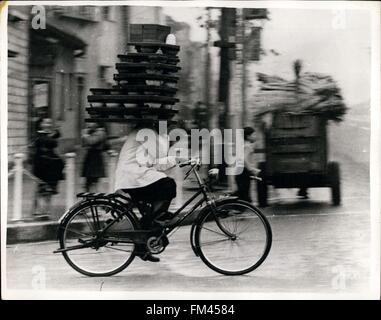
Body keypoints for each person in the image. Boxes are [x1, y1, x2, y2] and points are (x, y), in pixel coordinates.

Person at [114, 121, 185, 262]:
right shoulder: (147, 131)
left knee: (149, 211)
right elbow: (156, 160)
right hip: (134, 176)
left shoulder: (146, 131)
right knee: (168, 185)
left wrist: (176, 159)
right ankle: (158, 222)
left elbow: (154, 163)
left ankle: (142, 246)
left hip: (134, 176)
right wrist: (174, 157)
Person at [32, 118, 64, 218]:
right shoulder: (39, 135)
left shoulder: (47, 135)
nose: (48, 124)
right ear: (41, 124)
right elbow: (51, 142)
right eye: (46, 122)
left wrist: (57, 131)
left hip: (50, 165)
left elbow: (55, 138)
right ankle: (37, 210)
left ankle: (46, 210)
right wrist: (53, 134)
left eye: (50, 123)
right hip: (41, 165)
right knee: (41, 187)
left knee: (49, 188)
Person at [234, 126, 260, 203]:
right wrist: (252, 170)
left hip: (240, 172)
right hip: (243, 173)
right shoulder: (247, 146)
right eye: (253, 135)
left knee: (243, 196)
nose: (255, 137)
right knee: (244, 199)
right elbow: (244, 159)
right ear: (248, 136)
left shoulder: (244, 145)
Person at [81, 123, 107, 192]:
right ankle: (88, 197)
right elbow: (84, 145)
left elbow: (92, 142)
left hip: (95, 157)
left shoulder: (100, 132)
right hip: (90, 157)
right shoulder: (92, 133)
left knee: (95, 180)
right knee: (88, 181)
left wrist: (85, 135)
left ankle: (95, 197)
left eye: (90, 126)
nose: (89, 127)